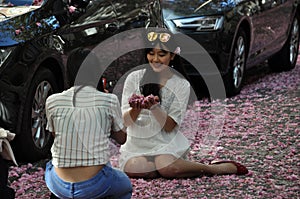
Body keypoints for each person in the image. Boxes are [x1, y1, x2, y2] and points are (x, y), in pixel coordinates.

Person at [119, 30, 248, 178]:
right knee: (141, 169)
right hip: (137, 145)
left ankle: (214, 169)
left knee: (169, 169)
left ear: (172, 55)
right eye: (151, 53)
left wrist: (154, 108)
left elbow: (170, 126)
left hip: (165, 143)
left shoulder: (181, 84)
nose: (155, 59)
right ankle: (162, 166)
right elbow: (125, 122)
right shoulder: (133, 78)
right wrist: (136, 109)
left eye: (162, 55)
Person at [44, 48, 132, 199]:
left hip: (58, 184)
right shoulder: (108, 100)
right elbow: (121, 139)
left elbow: (55, 134)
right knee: (125, 187)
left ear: (69, 72)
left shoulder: (53, 101)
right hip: (95, 185)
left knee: (50, 165)